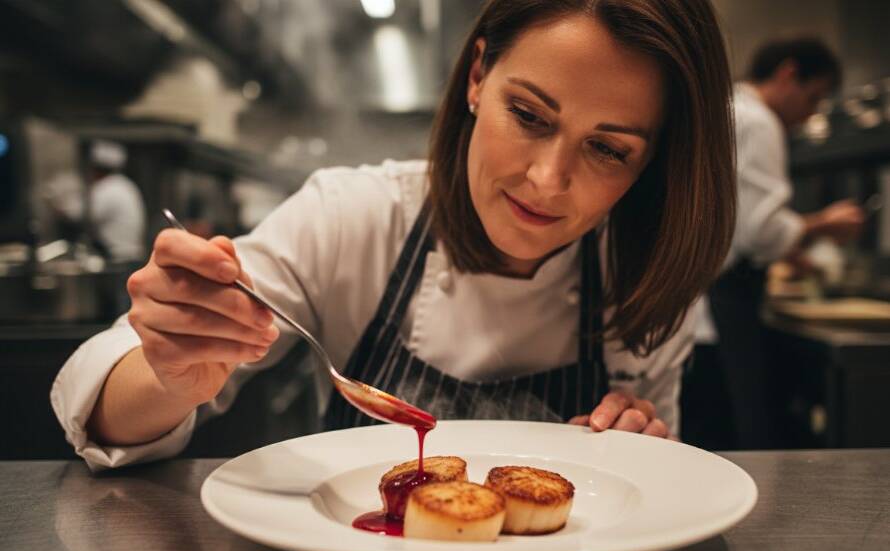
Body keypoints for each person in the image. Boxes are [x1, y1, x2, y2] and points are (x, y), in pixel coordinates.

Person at [51, 0, 736, 470]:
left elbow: (649, 496)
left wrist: (639, 446)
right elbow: (101, 404)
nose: (549, 180)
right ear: (476, 77)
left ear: (652, 162)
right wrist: (171, 371)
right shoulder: (354, 216)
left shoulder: (647, 276)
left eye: (609, 150)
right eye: (528, 114)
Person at [683, 37, 865, 450]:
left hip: (699, 300)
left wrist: (791, 249)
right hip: (722, 300)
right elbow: (761, 229)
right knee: (738, 432)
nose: (811, 113)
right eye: (814, 97)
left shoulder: (726, 110)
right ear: (788, 75)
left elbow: (736, 219)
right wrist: (822, 224)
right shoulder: (758, 121)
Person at [45, 140, 147, 262]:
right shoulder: (124, 184)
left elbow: (76, 214)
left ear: (96, 168)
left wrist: (53, 199)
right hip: (130, 255)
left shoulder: (107, 187)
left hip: (118, 257)